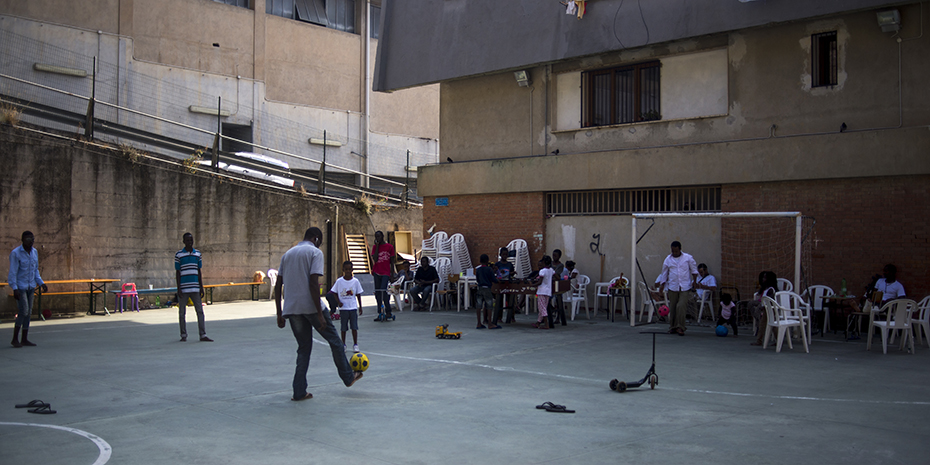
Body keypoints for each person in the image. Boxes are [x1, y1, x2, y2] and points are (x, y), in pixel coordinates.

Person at [275, 227, 363, 401]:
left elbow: (278, 285)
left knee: (303, 349)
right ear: (316, 239)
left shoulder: (288, 254)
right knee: (335, 342)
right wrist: (320, 314)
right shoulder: (315, 253)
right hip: (311, 307)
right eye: (320, 242)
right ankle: (347, 376)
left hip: (292, 309)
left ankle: (299, 392)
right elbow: (314, 284)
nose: (320, 245)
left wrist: (279, 312)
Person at [9, 231, 48, 348]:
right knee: (23, 311)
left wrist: (41, 283)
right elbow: (13, 272)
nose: (30, 242)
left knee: (29, 312)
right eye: (27, 240)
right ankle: (15, 338)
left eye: (32, 239)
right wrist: (14, 288)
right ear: (22, 240)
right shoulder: (16, 253)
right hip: (20, 287)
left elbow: (35, 270)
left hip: (31, 286)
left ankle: (24, 338)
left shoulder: (34, 252)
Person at [655, 241, 698, 336]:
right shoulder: (668, 259)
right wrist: (662, 285)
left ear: (680, 249)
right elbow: (665, 273)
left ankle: (681, 327)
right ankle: (673, 327)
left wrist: (695, 281)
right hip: (673, 286)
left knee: (681, 306)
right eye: (672, 251)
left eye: (676, 251)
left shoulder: (688, 258)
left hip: (685, 287)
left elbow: (694, 270)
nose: (674, 253)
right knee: (673, 307)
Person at [175, 232, 212, 342]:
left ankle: (202, 335)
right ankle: (183, 335)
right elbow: (178, 272)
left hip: (195, 287)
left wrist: (201, 287)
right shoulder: (179, 255)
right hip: (184, 288)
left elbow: (199, 271)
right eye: (187, 240)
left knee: (200, 311)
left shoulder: (198, 254)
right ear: (183, 241)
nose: (189, 242)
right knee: (182, 313)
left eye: (191, 240)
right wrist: (179, 289)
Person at [331, 261, 364, 353]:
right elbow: (334, 292)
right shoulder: (339, 281)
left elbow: (358, 294)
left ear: (352, 270)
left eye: (350, 269)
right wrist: (338, 302)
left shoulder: (355, 281)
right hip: (344, 308)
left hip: (353, 307)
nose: (348, 271)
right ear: (343, 270)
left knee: (354, 327)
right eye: (346, 269)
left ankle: (355, 344)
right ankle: (343, 344)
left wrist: (360, 306)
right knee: (343, 327)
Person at [370, 231, 396, 320]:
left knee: (383, 291)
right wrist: (377, 246)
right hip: (377, 272)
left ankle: (388, 311)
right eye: (376, 237)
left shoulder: (389, 247)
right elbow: (375, 259)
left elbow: (392, 262)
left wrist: (392, 275)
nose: (377, 238)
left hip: (386, 272)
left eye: (379, 236)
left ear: (382, 236)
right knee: (377, 292)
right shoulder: (374, 247)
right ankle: (380, 312)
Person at [750, 271, 778, 346]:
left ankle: (761, 340)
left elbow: (770, 301)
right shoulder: (764, 289)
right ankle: (760, 340)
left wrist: (763, 307)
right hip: (765, 308)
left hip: (769, 309)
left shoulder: (771, 290)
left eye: (765, 278)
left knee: (769, 325)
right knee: (766, 325)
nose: (763, 279)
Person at [474, 254, 499, 329]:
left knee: (479, 306)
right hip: (487, 288)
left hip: (480, 288)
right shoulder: (489, 269)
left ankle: (479, 323)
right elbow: (493, 280)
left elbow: (477, 279)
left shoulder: (478, 270)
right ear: (487, 261)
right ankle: (490, 323)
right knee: (489, 305)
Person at [531, 255, 555, 329]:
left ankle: (546, 324)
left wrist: (532, 285)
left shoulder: (542, 271)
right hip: (548, 291)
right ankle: (538, 323)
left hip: (541, 291)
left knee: (542, 308)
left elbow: (540, 282)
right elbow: (556, 276)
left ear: (544, 262)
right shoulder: (551, 270)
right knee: (543, 307)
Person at [494, 247, 516, 324]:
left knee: (510, 300)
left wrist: (512, 273)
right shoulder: (497, 264)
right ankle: (499, 317)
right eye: (503, 254)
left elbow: (512, 273)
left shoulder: (509, 264)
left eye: (506, 254)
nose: (505, 256)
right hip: (500, 284)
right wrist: (499, 271)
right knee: (499, 301)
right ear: (500, 255)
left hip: (508, 283)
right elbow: (494, 272)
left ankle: (511, 316)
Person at [550, 249, 568, 325]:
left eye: (556, 256)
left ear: (559, 256)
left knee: (558, 299)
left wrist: (551, 273)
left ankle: (558, 318)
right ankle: (551, 310)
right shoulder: (550, 263)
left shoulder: (560, 265)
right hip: (549, 283)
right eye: (553, 255)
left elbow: (556, 274)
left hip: (556, 284)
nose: (554, 257)